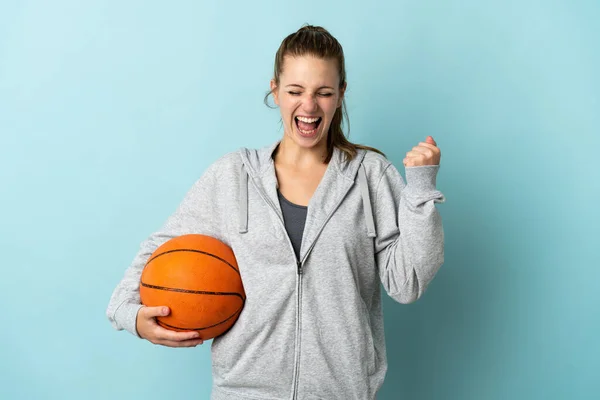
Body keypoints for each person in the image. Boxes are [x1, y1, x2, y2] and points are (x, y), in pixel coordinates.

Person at [106, 24, 445, 400]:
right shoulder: (234, 175)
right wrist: (129, 314)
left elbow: (407, 282)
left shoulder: (370, 177)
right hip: (244, 392)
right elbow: (161, 247)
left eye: (324, 93)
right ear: (276, 90)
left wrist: (421, 191)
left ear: (341, 94)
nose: (309, 106)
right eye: (295, 91)